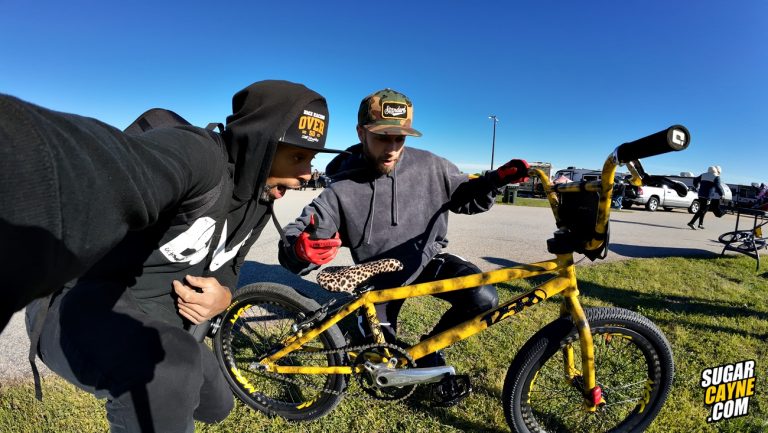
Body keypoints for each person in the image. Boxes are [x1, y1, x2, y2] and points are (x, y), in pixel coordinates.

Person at [9, 80, 345, 432]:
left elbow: (232, 262)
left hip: (160, 322)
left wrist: (225, 294)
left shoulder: (260, 198)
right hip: (80, 303)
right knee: (166, 371)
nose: (306, 174)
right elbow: (117, 166)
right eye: (297, 157)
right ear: (259, 143)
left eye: (310, 159)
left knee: (217, 405)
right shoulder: (198, 156)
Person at [278, 88, 529, 371]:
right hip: (377, 276)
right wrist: (299, 249)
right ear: (361, 133)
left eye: (400, 138)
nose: (392, 149)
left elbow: (467, 200)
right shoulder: (341, 185)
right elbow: (300, 232)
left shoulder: (433, 166)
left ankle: (428, 352)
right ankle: (360, 323)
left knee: (483, 296)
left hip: (425, 261)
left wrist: (491, 182)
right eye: (382, 138)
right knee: (386, 357)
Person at [688, 166, 725, 230]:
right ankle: (691, 222)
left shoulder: (703, 175)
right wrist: (722, 194)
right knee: (702, 210)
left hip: (700, 195)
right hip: (708, 196)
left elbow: (695, 180)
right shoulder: (716, 177)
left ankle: (700, 224)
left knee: (704, 209)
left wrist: (696, 186)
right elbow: (718, 186)